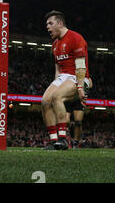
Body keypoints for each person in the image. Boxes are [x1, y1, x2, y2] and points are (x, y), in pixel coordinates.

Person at [41, 11, 90, 150]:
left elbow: (81, 66)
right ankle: (53, 141)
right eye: (46, 24)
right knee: (45, 101)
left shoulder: (76, 38)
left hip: (78, 76)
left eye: (50, 23)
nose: (48, 27)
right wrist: (55, 84)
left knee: (57, 96)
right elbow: (58, 69)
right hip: (63, 77)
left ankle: (63, 139)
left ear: (60, 23)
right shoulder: (55, 44)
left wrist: (81, 88)